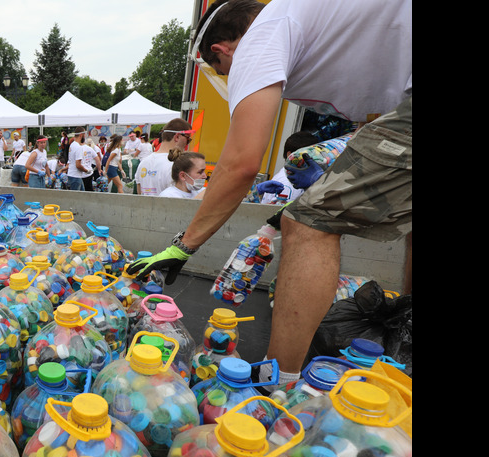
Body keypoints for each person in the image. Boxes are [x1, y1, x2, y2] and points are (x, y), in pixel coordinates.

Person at [126, 0, 411, 387]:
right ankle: (406, 334)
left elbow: (241, 162)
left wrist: (184, 245)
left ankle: (277, 383)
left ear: (220, 50)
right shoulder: (315, 25)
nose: (231, 77)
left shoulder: (261, 36)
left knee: (309, 223)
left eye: (222, 71)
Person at [255, 130, 320, 204]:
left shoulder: (295, 179)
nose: (312, 159)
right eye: (307, 155)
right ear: (290, 155)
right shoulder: (288, 183)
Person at [65, 127, 90, 191]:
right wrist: (86, 171)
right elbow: (78, 165)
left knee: (82, 196)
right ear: (81, 135)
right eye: (84, 135)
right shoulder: (79, 147)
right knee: (76, 199)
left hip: (73, 175)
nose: (85, 137)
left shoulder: (72, 145)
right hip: (76, 176)